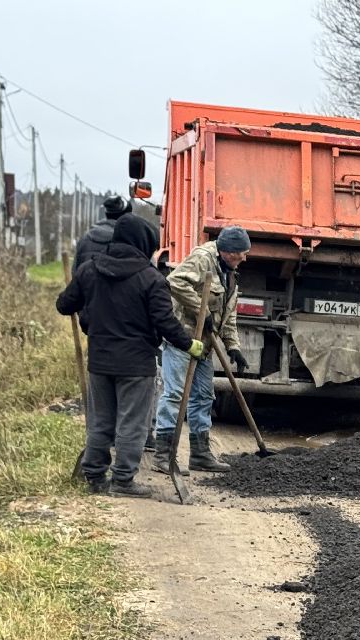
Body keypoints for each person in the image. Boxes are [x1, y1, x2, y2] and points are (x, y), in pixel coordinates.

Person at [56, 215, 203, 497]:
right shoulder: (151, 279)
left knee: (100, 421)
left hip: (99, 362)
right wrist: (189, 344)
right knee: (131, 424)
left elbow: (64, 305)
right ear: (141, 243)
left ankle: (95, 477)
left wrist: (87, 309)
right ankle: (123, 481)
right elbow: (165, 321)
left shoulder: (90, 270)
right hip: (136, 365)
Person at [152, 225, 251, 475]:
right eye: (240, 253)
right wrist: (201, 309)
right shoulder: (202, 258)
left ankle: (200, 454)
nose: (244, 258)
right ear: (227, 251)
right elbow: (174, 282)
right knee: (175, 395)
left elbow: (229, 316)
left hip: (205, 344)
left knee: (204, 397)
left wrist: (233, 347)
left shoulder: (230, 272)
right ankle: (164, 455)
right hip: (184, 338)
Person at [74, 195, 132, 269]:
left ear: (106, 213)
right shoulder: (129, 240)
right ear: (127, 216)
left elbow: (76, 270)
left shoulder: (85, 238)